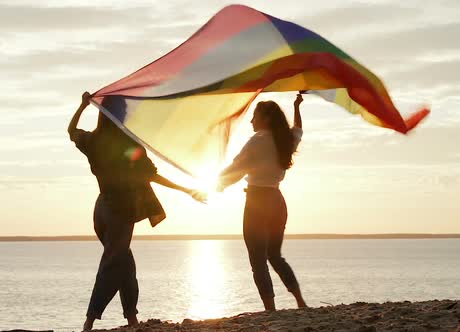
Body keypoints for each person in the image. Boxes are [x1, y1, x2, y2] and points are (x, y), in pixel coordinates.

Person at [68, 92, 205, 331]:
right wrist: (186, 190)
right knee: (113, 264)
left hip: (101, 210)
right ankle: (89, 322)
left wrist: (82, 106)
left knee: (124, 264)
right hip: (120, 211)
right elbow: (152, 175)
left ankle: (131, 318)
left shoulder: (93, 141)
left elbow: (71, 131)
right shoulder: (128, 146)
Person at [217, 93, 307, 311]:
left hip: (257, 201)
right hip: (277, 201)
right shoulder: (285, 140)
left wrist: (212, 186)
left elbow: (235, 169)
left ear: (266, 118)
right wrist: (297, 107)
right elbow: (298, 130)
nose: (251, 121)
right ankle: (300, 302)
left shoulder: (256, 142)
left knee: (258, 259)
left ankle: (270, 308)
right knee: (275, 256)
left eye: (254, 116)